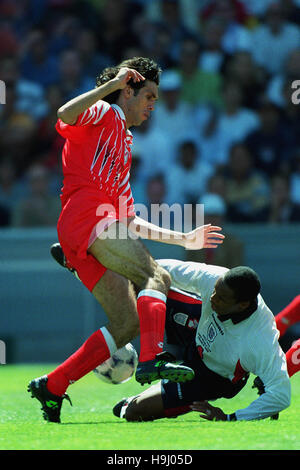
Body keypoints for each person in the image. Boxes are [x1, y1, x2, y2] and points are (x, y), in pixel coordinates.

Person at [27, 56, 224, 423]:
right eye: (148, 95)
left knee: (128, 322)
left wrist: (184, 237)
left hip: (85, 230)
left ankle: (53, 385)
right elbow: (65, 113)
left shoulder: (123, 140)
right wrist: (109, 87)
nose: (153, 105)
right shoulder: (105, 111)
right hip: (88, 217)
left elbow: (130, 220)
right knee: (157, 278)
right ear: (127, 90)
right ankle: (152, 359)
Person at [112, 259, 291, 422]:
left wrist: (230, 418)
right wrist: (118, 269)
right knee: (150, 284)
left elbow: (281, 395)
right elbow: (159, 269)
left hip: (211, 377)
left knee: (134, 412)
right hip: (195, 331)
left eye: (221, 298)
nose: (213, 297)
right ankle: (151, 359)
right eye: (214, 291)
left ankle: (137, 402)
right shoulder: (215, 278)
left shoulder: (259, 340)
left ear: (242, 305)